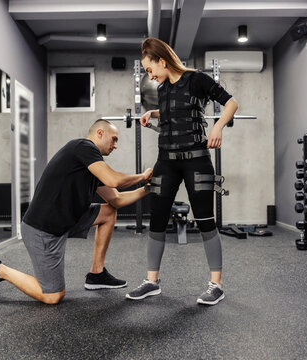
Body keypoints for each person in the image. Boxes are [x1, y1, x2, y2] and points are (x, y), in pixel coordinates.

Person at [0, 119, 153, 304]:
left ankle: (97, 274)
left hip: (67, 220)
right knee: (53, 296)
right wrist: (142, 176)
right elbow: (113, 180)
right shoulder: (82, 147)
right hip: (43, 230)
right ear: (99, 133)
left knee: (109, 212)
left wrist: (148, 189)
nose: (115, 146)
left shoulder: (93, 166)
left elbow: (116, 199)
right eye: (114, 139)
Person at [125, 38, 239, 306]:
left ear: (162, 61)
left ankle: (216, 285)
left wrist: (218, 126)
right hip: (166, 161)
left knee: (204, 220)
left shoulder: (197, 79)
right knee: (157, 217)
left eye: (150, 69)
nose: (149, 75)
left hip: (196, 161)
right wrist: (153, 114)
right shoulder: (163, 88)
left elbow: (232, 103)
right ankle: (151, 282)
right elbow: (173, 112)